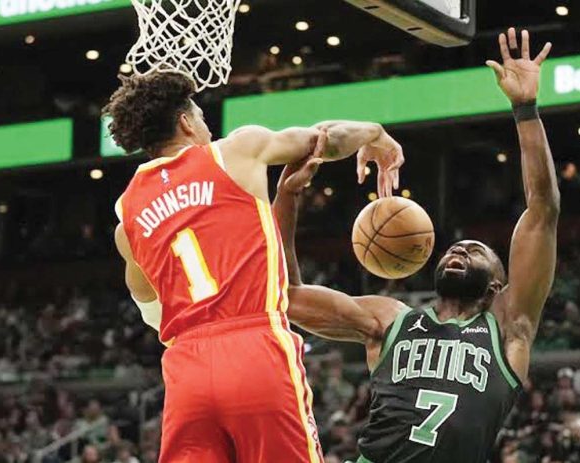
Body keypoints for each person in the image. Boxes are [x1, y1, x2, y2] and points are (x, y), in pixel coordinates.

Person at [274, 28, 558, 463]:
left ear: (497, 286)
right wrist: (288, 199)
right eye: (456, 248)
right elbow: (286, 296)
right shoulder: (390, 320)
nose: (459, 251)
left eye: (476, 250)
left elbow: (542, 210)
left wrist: (525, 110)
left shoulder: (508, 328)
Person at [103, 71, 404, 463]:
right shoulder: (234, 152)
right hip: (254, 346)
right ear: (185, 121)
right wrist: (374, 134)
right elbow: (322, 141)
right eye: (201, 117)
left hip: (185, 368)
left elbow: (152, 310)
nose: (207, 128)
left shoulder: (126, 215)